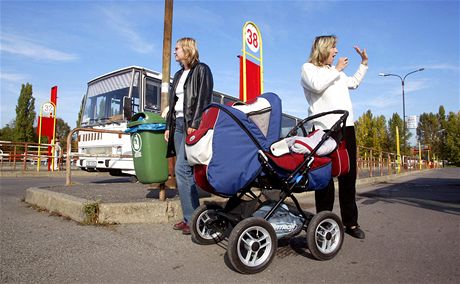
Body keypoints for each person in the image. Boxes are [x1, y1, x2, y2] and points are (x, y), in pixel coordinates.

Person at [300, 35, 368, 239]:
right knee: (324, 176)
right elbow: (317, 85)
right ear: (323, 49)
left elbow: (353, 83)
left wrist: (363, 63)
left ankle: (351, 223)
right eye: (334, 48)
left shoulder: (335, 72)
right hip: (323, 129)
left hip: (346, 127)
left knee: (349, 175)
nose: (337, 51)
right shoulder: (308, 69)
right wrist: (337, 70)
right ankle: (324, 222)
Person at [164, 37, 214, 235]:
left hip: (191, 125)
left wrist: (194, 124)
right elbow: (174, 102)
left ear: (187, 49)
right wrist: (169, 126)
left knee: (182, 169)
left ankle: (192, 219)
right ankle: (191, 218)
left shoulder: (202, 70)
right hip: (177, 125)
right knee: (185, 172)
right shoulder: (178, 75)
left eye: (177, 49)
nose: (174, 52)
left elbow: (203, 98)